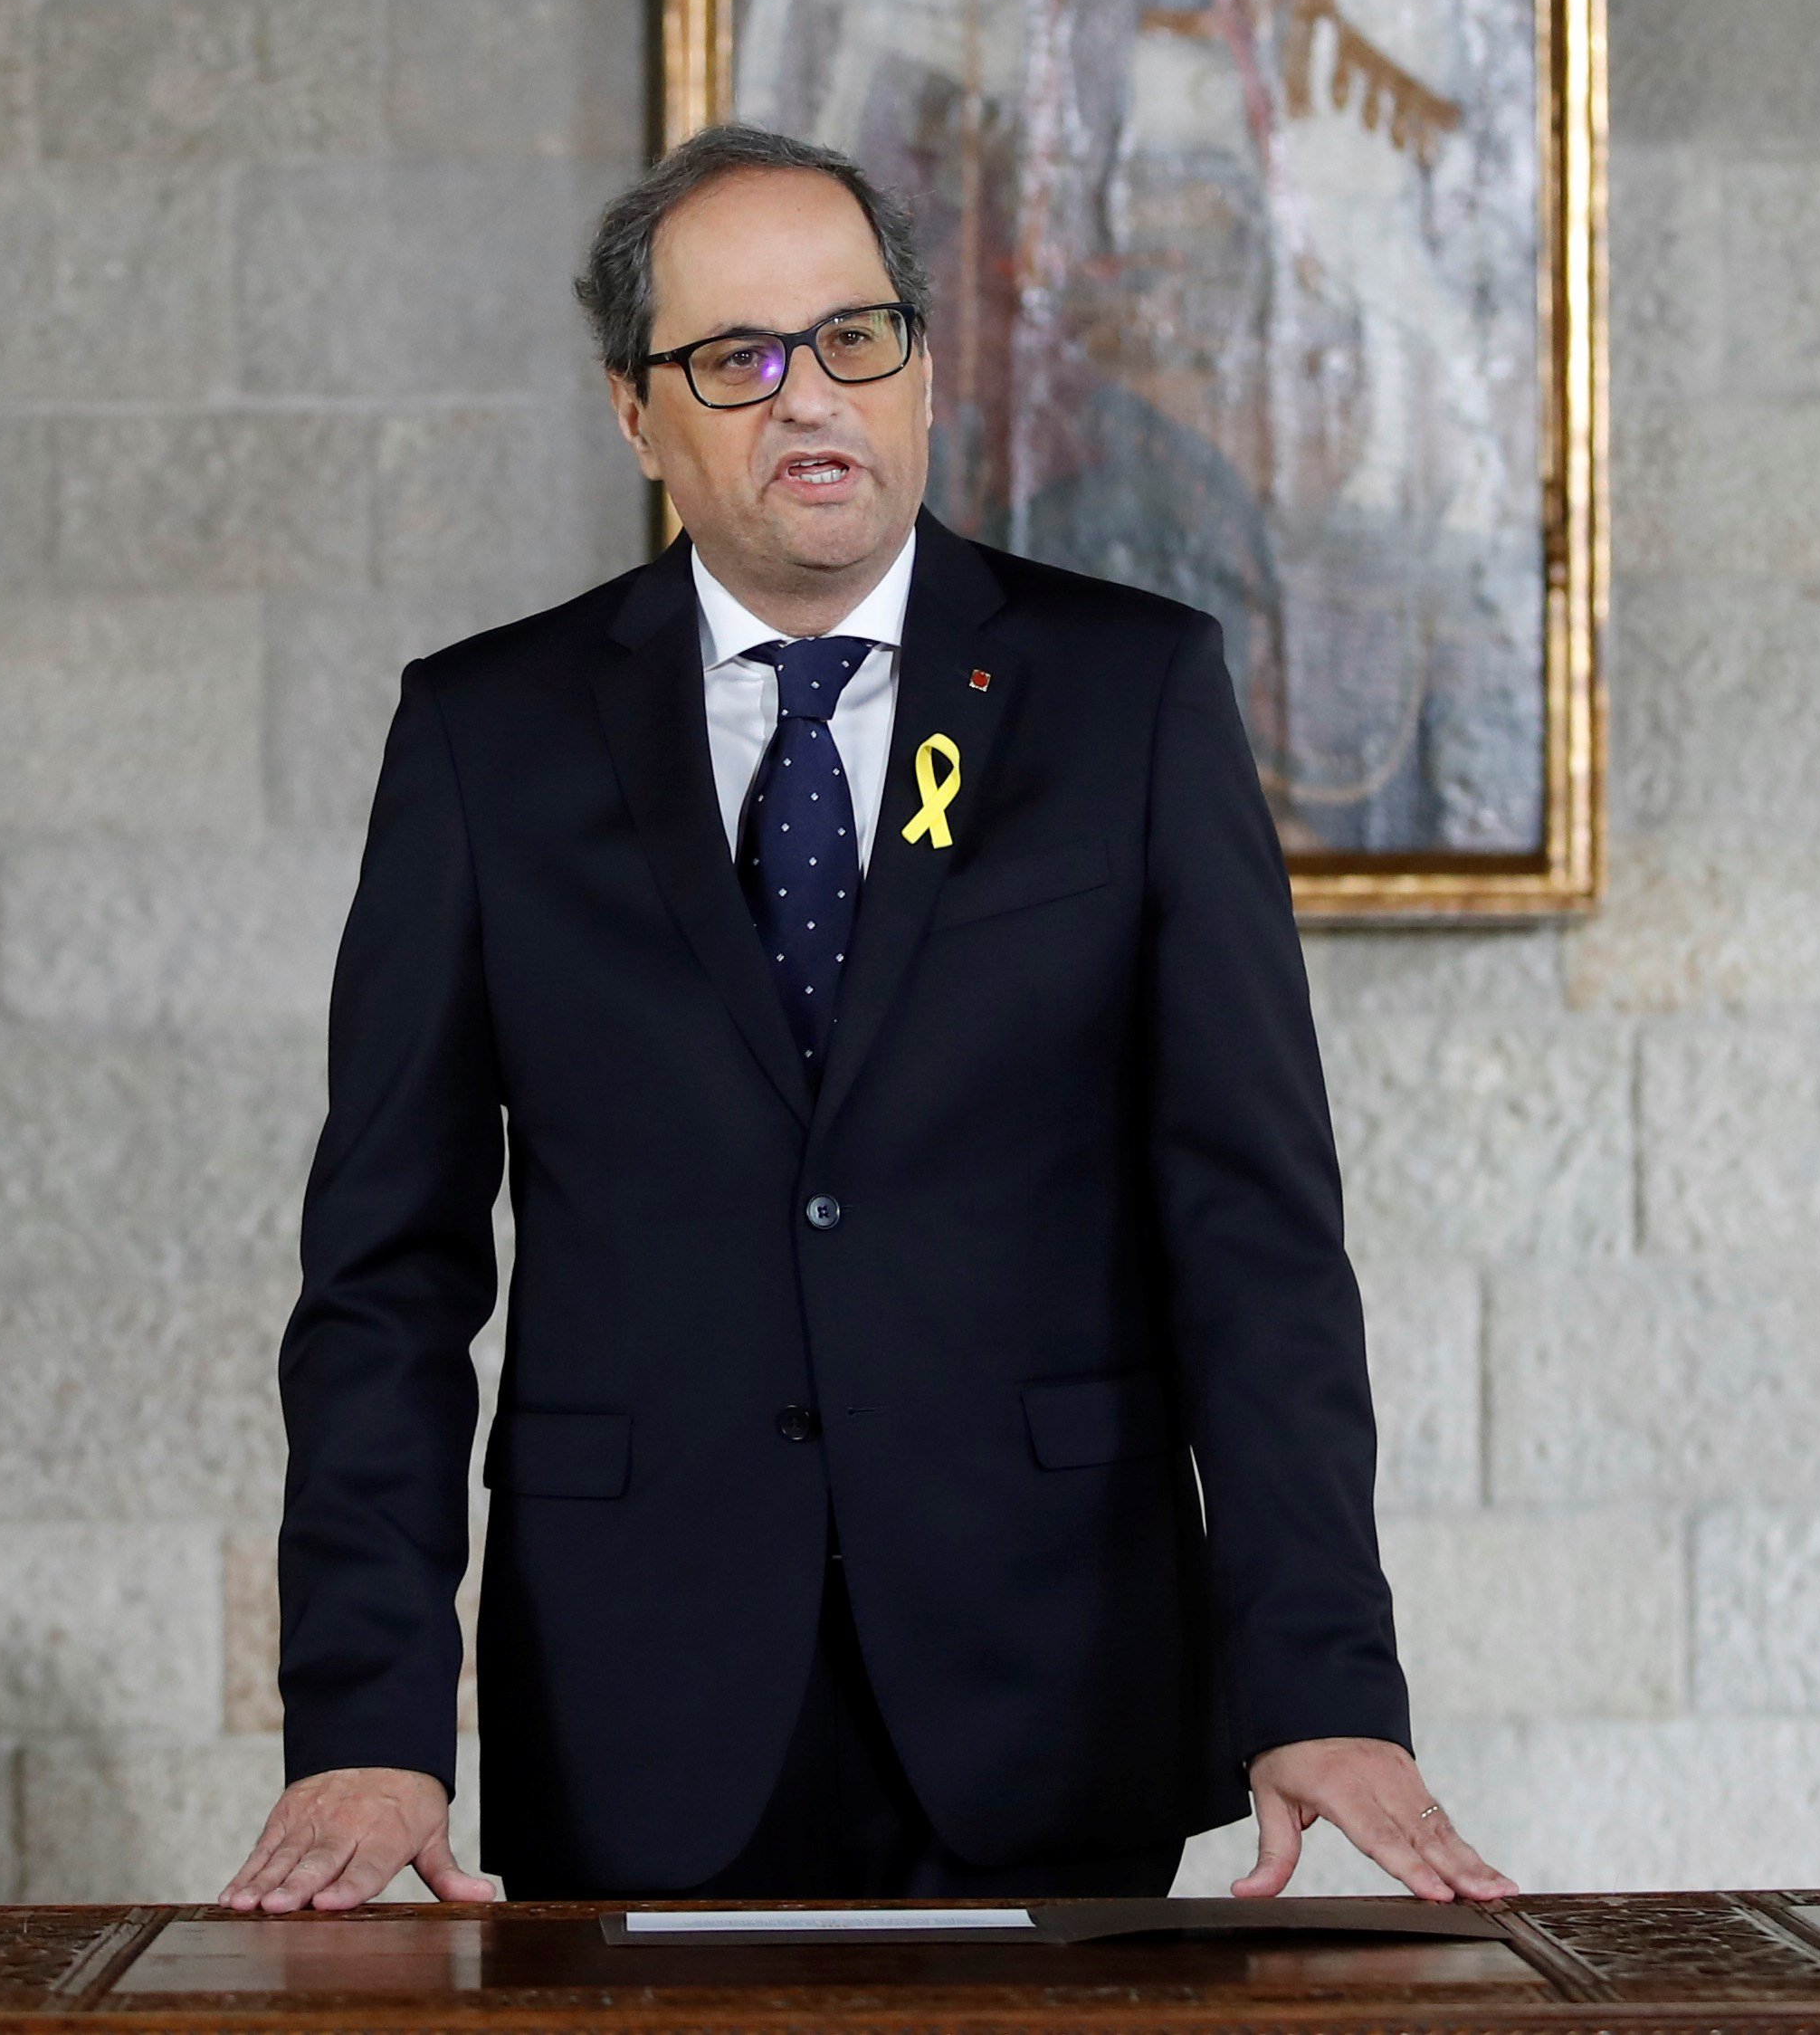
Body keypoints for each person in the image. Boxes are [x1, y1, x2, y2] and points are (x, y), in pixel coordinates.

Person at [224, 124, 1507, 1909]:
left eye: (854, 340)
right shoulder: (486, 740)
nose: (808, 401)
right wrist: (364, 1722)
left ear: (920, 362)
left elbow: (1256, 1238)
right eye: (736, 361)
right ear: (632, 413)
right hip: (636, 1692)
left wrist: (1320, 1681)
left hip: (1054, 1671)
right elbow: (387, 1274)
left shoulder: (1132, 697)